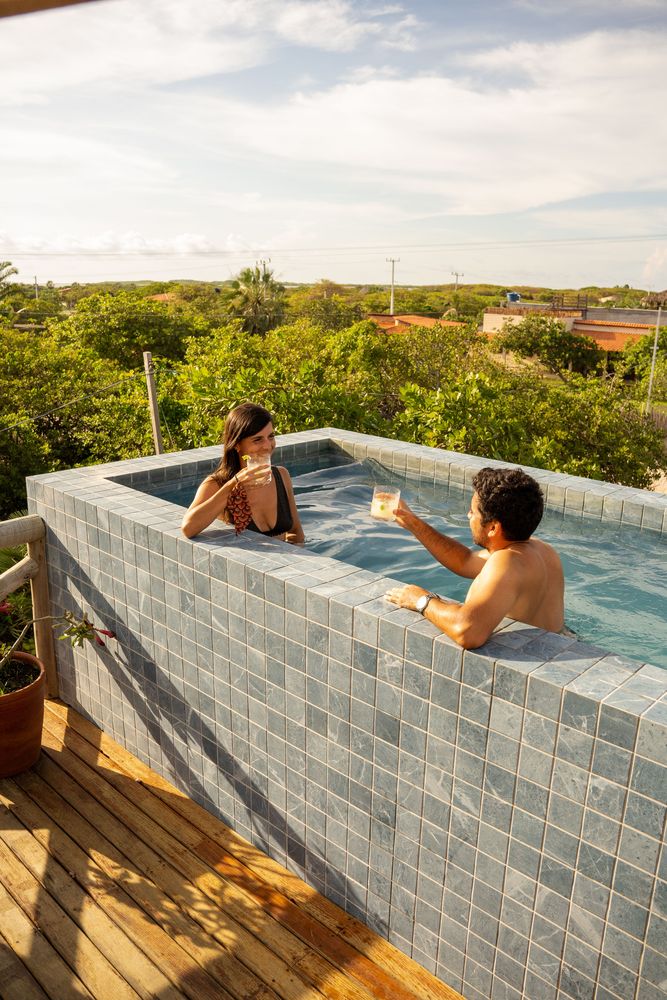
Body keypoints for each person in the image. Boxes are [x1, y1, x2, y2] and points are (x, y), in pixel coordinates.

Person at [385, 467, 565, 649]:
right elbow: (465, 561)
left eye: (473, 512)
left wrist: (421, 600)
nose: (468, 515)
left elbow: (467, 631)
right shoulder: (542, 549)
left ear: (493, 527)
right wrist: (414, 523)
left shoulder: (508, 562)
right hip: (559, 647)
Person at [181, 402, 305, 543]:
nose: (267, 446)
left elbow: (296, 533)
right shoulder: (217, 484)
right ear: (236, 444)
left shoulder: (281, 476)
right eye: (257, 439)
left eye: (271, 436)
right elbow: (188, 528)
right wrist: (234, 484)